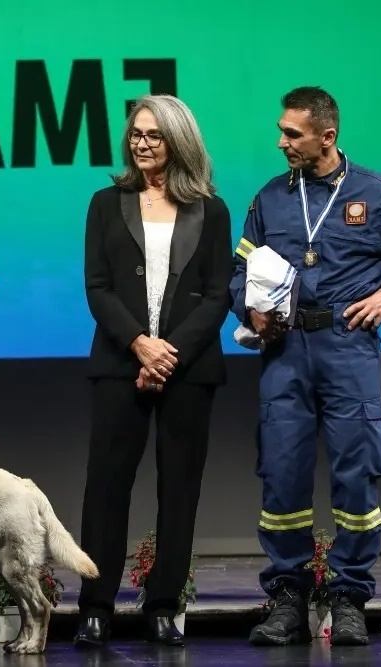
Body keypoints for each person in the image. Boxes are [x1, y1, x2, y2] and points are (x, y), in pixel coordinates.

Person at [230, 86, 381, 647]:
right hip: (284, 353)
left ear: (326, 137)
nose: (281, 141)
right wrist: (249, 311)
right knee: (281, 475)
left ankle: (350, 595)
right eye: (282, 131)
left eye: (293, 133)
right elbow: (239, 272)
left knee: (356, 476)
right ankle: (287, 597)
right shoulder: (269, 199)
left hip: (347, 348)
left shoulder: (379, 195)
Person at [73, 94, 233, 648]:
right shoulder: (104, 202)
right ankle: (95, 607)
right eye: (136, 134)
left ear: (178, 141)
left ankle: (164, 605)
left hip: (188, 371)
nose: (141, 143)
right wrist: (141, 346)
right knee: (106, 489)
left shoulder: (211, 210)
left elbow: (218, 296)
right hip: (120, 365)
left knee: (180, 489)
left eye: (153, 135)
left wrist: (169, 353)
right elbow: (97, 287)